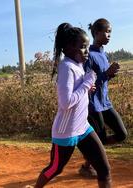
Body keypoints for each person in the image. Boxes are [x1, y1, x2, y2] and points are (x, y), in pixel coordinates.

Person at [34, 23, 111, 188]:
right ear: (68, 48)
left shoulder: (78, 65)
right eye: (83, 47)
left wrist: (87, 86)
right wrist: (86, 84)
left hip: (83, 127)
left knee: (104, 169)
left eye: (87, 47)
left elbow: (78, 91)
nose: (87, 52)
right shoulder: (66, 67)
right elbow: (65, 102)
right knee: (55, 168)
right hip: (66, 131)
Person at [79, 18, 128, 177]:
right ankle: (88, 164)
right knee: (99, 139)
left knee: (122, 134)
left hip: (105, 103)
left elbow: (103, 79)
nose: (109, 35)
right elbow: (87, 83)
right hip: (93, 105)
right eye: (106, 32)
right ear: (96, 33)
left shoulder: (103, 54)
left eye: (110, 32)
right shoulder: (90, 55)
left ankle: (90, 157)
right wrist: (106, 73)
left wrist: (110, 74)